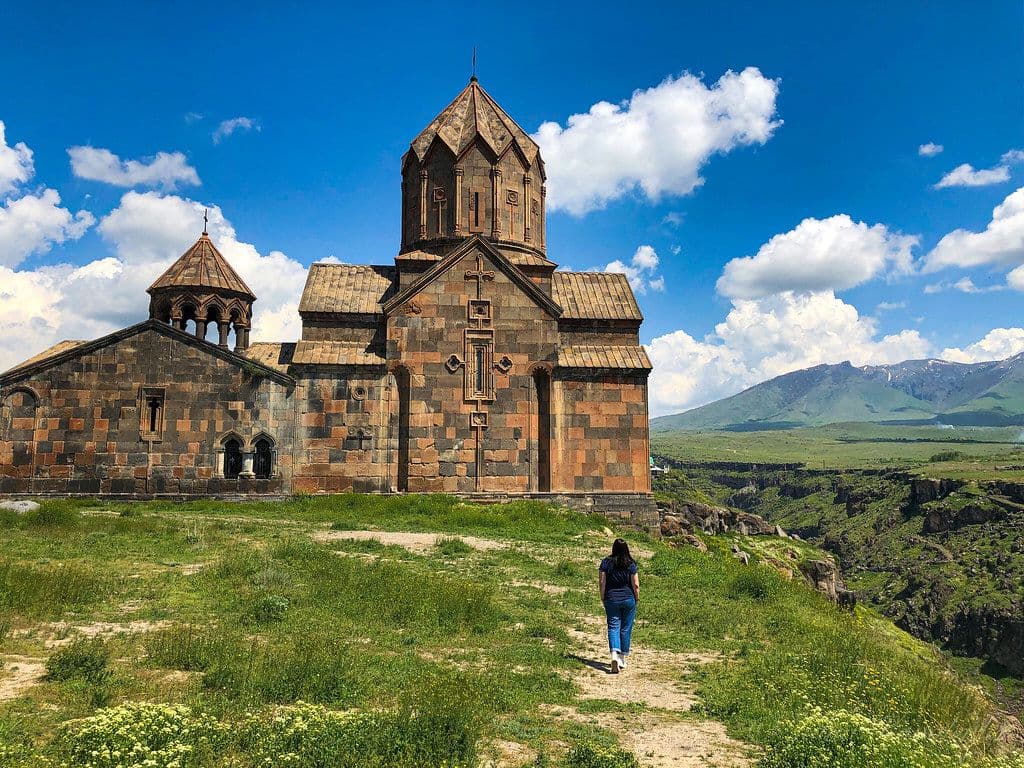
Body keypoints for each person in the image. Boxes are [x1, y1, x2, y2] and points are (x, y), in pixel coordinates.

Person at [599, 538, 639, 674]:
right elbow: (636, 584)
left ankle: (614, 655)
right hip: (628, 599)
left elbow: (602, 582)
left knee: (613, 626)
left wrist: (603, 596)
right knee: (626, 628)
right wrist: (637, 598)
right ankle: (622, 658)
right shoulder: (631, 564)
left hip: (611, 599)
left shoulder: (606, 563)